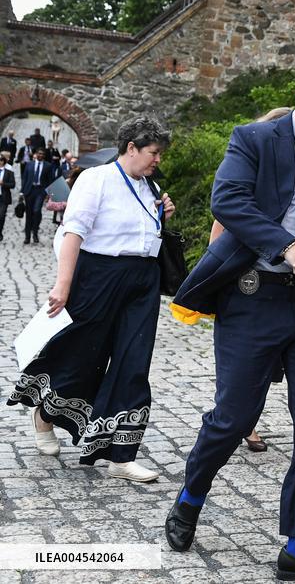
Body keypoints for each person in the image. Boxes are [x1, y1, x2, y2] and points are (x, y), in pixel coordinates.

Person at [164, 56, 295, 584]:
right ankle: (191, 495)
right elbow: (227, 200)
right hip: (254, 297)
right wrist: (286, 245)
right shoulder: (253, 139)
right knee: (233, 419)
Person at [6, 116, 175, 482]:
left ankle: (120, 455)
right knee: (83, 355)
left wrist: (162, 216)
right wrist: (62, 285)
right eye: (153, 152)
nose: (158, 159)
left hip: (143, 281)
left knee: (134, 362)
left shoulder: (151, 186)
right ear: (131, 148)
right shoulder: (96, 179)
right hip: (99, 278)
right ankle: (45, 415)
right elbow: (74, 232)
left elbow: (146, 235)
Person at [206, 105, 293, 455]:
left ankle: (247, 417)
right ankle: (240, 421)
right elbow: (220, 230)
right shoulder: (248, 172)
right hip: (246, 280)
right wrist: (218, 279)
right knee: (240, 362)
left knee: (269, 363)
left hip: (286, 287)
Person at [21, 147, 55, 244]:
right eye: (39, 153)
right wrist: (22, 192)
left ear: (44, 156)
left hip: (40, 191)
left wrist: (49, 194)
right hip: (29, 191)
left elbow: (50, 180)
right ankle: (27, 236)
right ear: (36, 154)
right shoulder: (29, 164)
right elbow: (24, 178)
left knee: (36, 211)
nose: (41, 155)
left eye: (42, 154)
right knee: (29, 214)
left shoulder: (48, 166)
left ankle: (35, 232)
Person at [0, 153, 15, 241]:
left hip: (4, 197)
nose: (0, 162)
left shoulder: (9, 172)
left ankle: (0, 231)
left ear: (4, 161)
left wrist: (3, 184)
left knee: (1, 215)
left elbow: (12, 184)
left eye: (1, 160)